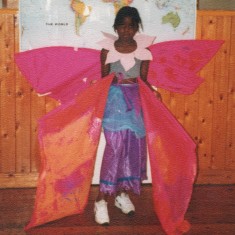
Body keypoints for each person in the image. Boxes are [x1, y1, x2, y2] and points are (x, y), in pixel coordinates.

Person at [94, 6, 161, 225]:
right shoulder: (107, 49)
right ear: (116, 27)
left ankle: (122, 195)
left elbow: (144, 80)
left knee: (132, 148)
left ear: (136, 28)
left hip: (135, 103)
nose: (126, 30)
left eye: (131, 26)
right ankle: (101, 199)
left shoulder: (144, 51)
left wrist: (153, 92)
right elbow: (104, 79)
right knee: (115, 148)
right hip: (114, 102)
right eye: (122, 25)